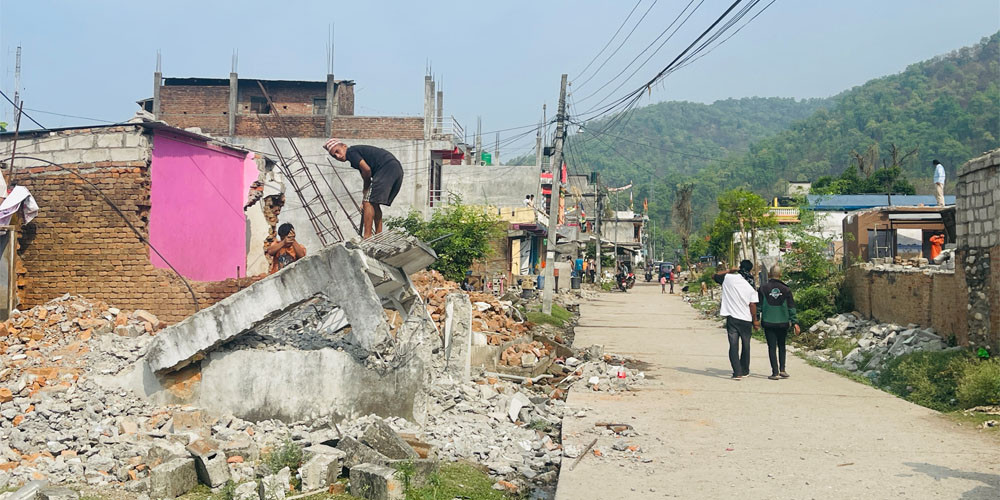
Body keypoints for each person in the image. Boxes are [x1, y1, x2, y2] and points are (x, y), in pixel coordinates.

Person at [324, 140, 405, 238]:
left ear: (344, 146)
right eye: (334, 156)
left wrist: (366, 188)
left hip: (386, 168)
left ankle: (367, 237)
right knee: (374, 203)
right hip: (396, 170)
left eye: (337, 151)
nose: (337, 156)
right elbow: (366, 171)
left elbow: (366, 170)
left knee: (368, 202)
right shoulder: (356, 153)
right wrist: (366, 191)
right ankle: (379, 235)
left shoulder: (350, 152)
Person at [714, 260, 760, 380]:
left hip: (732, 319)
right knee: (746, 345)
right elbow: (753, 305)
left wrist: (730, 270)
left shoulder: (729, 278)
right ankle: (745, 370)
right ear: (750, 270)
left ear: (739, 268)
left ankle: (737, 372)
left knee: (733, 345)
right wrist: (755, 321)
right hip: (746, 319)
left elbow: (715, 275)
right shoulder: (751, 284)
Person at [759, 264, 800, 380]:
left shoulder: (763, 288)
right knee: (782, 345)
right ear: (780, 275)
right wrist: (795, 322)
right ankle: (783, 370)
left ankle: (775, 372)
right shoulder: (786, 289)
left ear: (769, 274)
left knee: (772, 347)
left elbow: (758, 306)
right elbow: (791, 307)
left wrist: (755, 320)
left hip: (768, 322)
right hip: (783, 323)